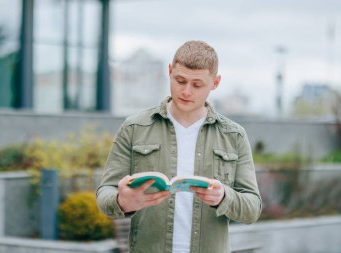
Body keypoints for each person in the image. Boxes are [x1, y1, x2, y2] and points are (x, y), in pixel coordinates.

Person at [96, 40, 262, 253]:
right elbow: (104, 194)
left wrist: (223, 197)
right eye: (180, 80)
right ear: (170, 71)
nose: (186, 91)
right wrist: (122, 201)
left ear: (215, 82)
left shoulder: (234, 135)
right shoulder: (134, 127)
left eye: (197, 84)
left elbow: (252, 208)